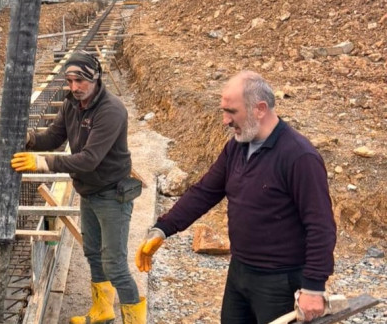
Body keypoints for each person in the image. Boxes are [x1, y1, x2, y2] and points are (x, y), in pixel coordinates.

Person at [135, 71, 336, 324]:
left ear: (259, 109)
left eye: (231, 112)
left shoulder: (298, 156)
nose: (224, 120)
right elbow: (205, 191)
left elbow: (321, 226)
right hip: (240, 271)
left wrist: (313, 288)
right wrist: (162, 228)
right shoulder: (237, 147)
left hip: (280, 281)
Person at [10, 51, 145, 324]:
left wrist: (42, 163)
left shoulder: (111, 110)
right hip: (89, 192)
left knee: (115, 265)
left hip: (112, 194)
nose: (74, 87)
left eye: (80, 80)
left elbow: (89, 159)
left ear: (95, 78)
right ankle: (102, 311)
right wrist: (28, 139)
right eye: (70, 81)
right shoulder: (71, 104)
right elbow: (53, 137)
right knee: (93, 254)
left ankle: (134, 319)